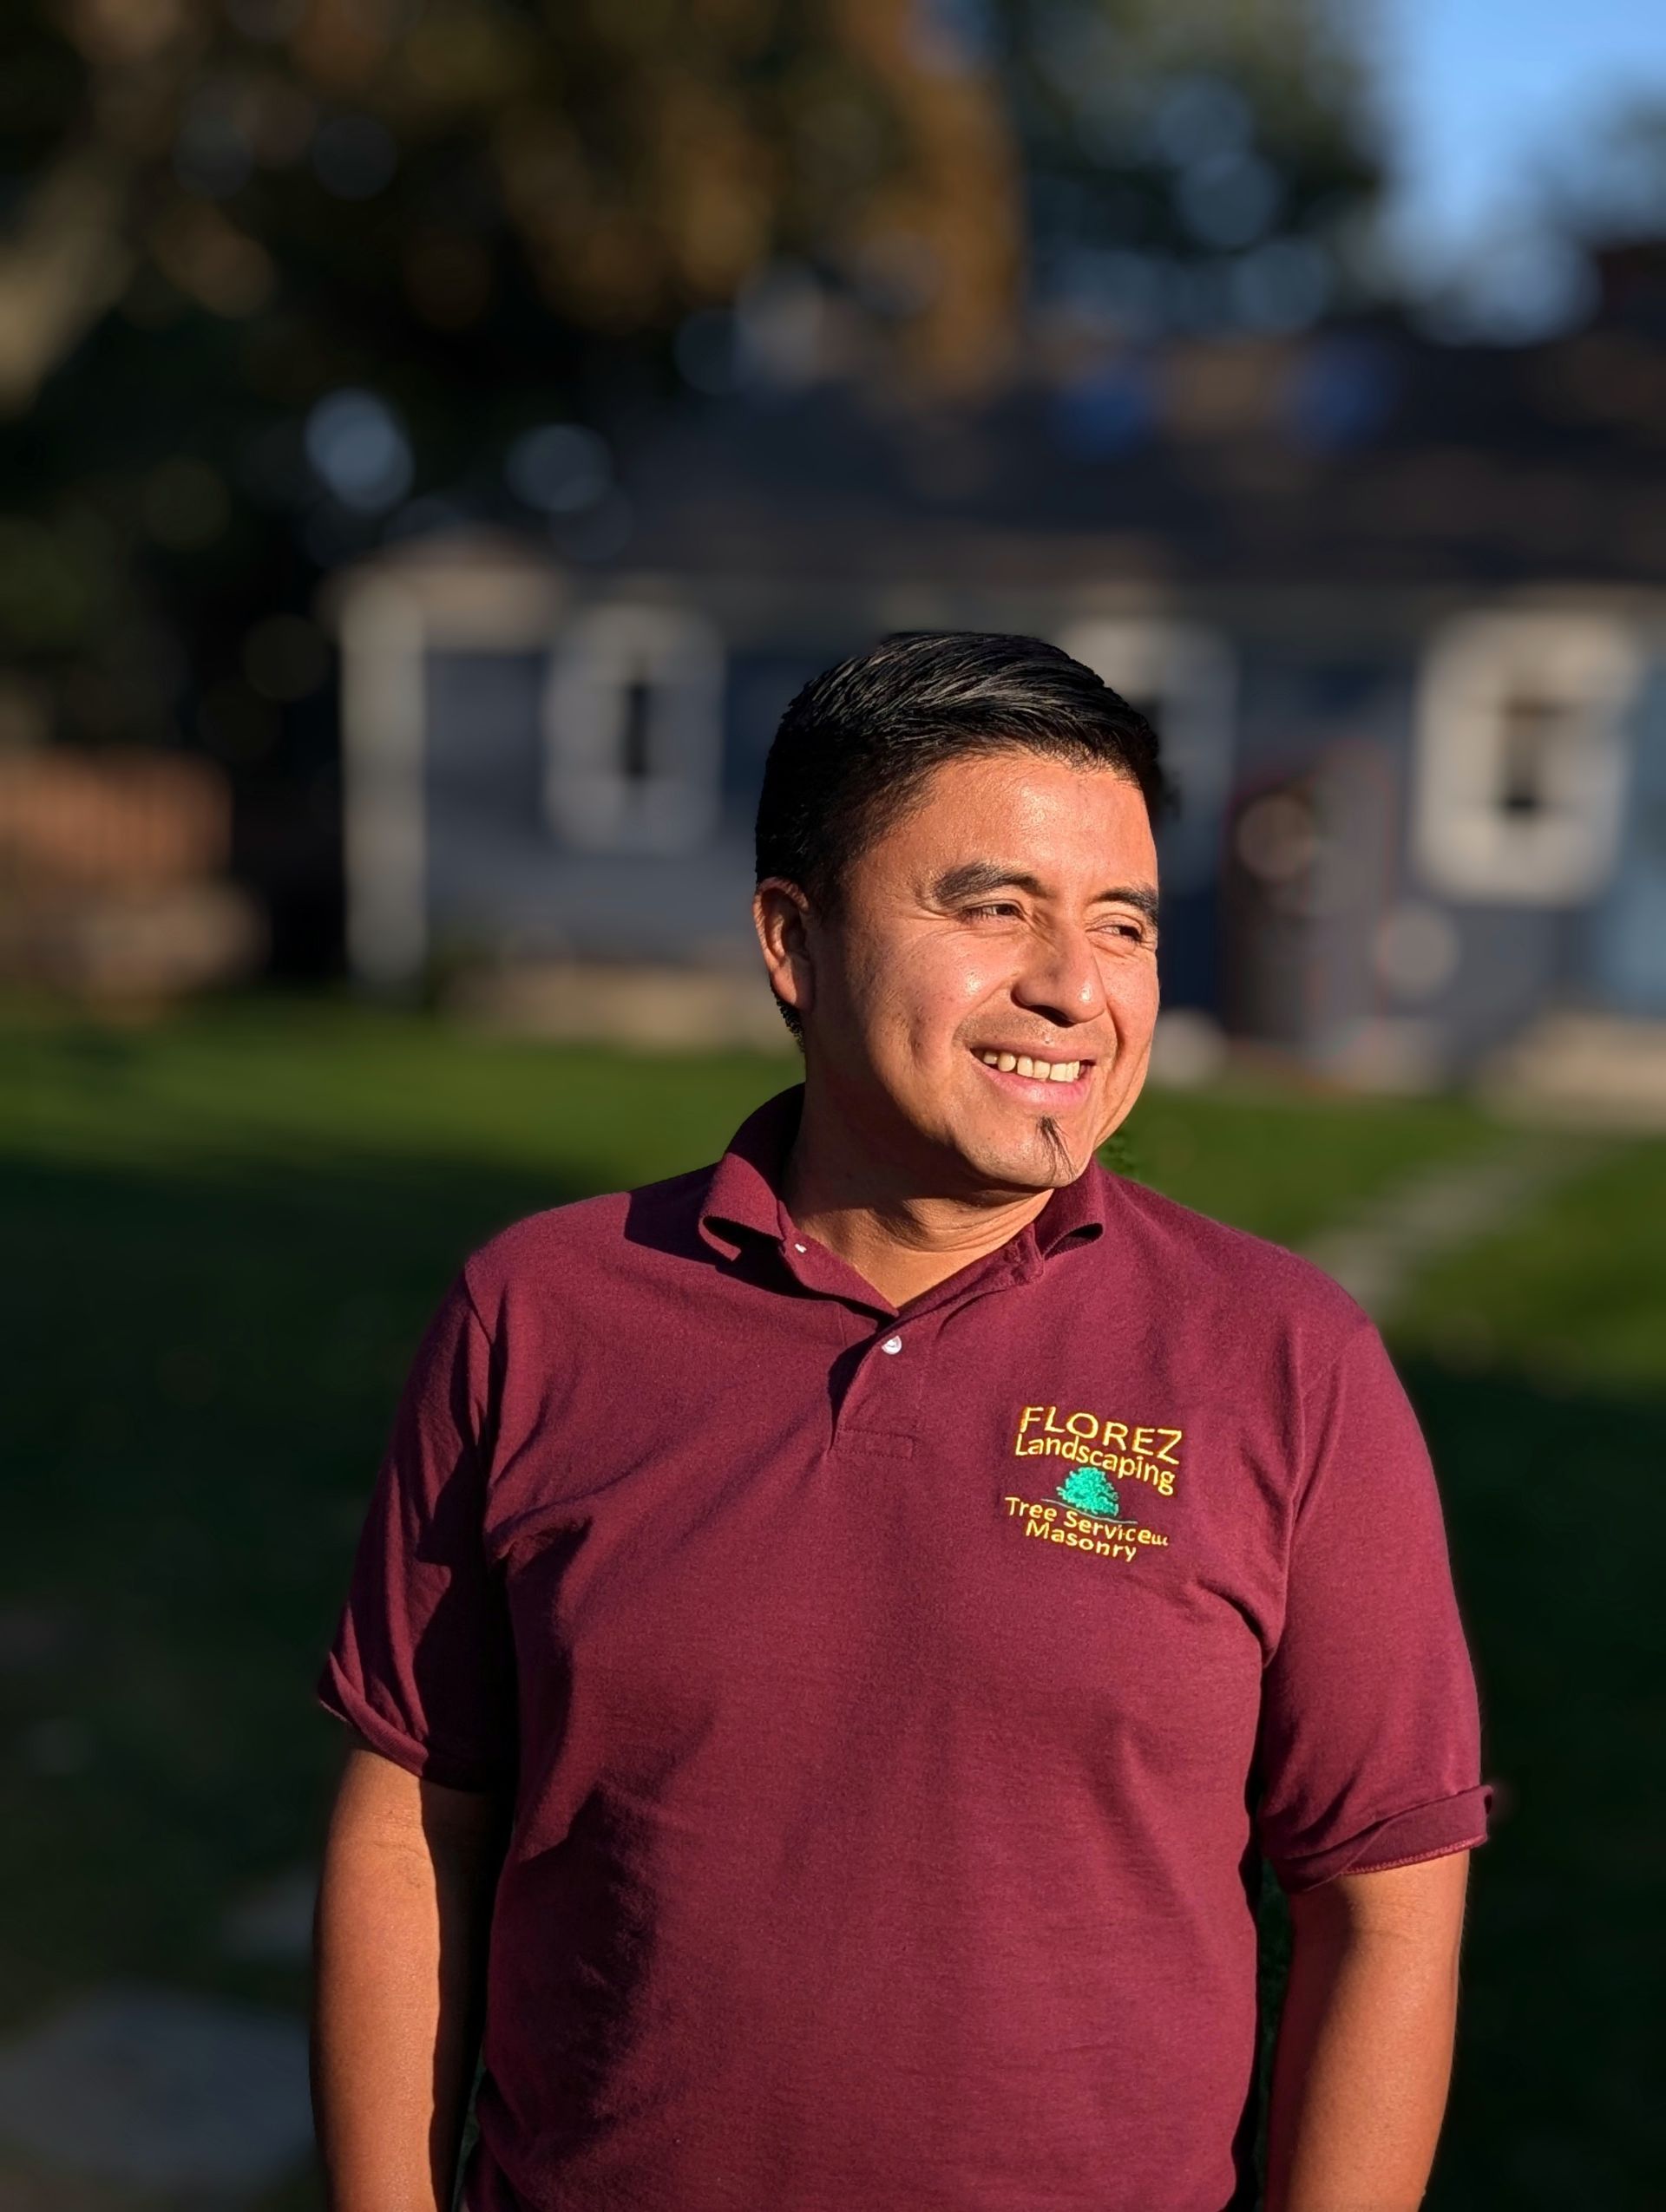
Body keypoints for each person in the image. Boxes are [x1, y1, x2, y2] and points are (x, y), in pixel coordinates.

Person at [312, 632, 1491, 2212]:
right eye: (994, 907)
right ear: (793, 938)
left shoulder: (1284, 1360)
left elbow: (1389, 1895)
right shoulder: (542, 1313)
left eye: (1122, 922)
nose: (1073, 984)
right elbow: (413, 1822)